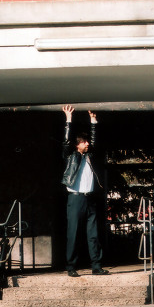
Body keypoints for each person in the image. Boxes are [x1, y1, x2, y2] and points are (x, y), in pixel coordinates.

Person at [61, 104, 109, 277]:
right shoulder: (70, 155)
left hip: (90, 199)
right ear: (77, 145)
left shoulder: (90, 156)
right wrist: (68, 119)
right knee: (73, 233)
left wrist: (93, 120)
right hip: (75, 199)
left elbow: (94, 141)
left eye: (87, 141)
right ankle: (71, 267)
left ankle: (96, 266)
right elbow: (66, 141)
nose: (87, 143)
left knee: (93, 234)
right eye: (84, 142)